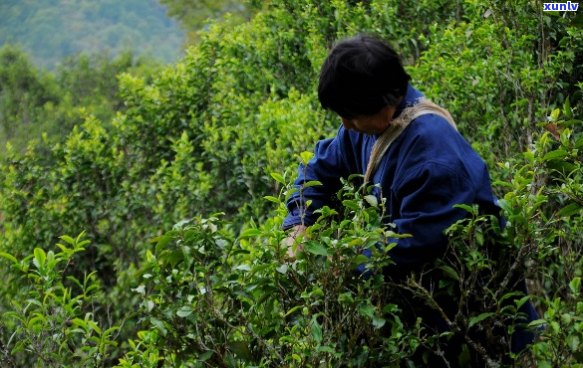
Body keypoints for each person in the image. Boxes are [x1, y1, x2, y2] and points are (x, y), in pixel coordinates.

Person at [282, 34, 537, 366]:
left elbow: (408, 249)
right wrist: (299, 223)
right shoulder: (365, 127)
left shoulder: (434, 161)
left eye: (350, 115)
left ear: (387, 107)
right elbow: (318, 171)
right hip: (421, 322)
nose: (344, 124)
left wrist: (334, 261)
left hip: (468, 325)